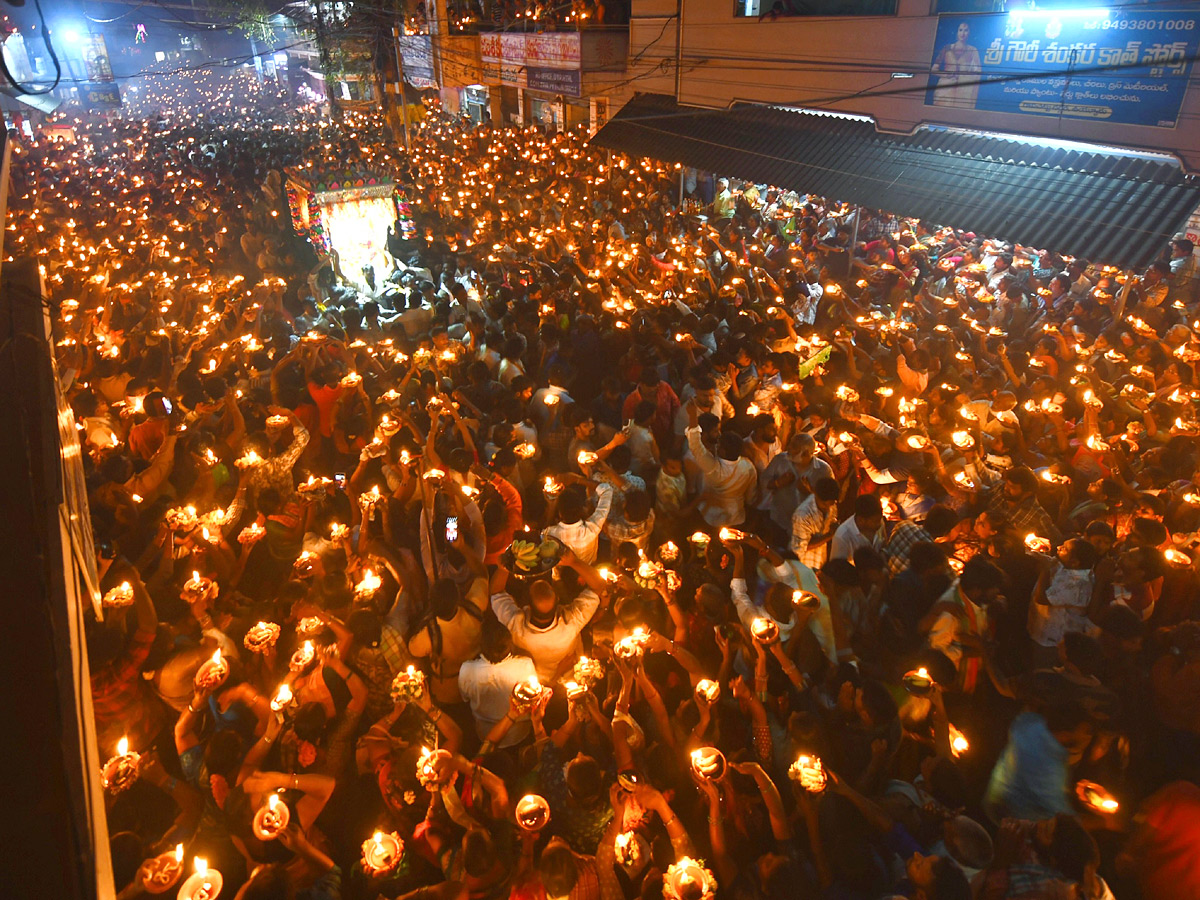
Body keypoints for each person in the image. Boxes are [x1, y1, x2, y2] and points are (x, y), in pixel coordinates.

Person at [930, 21, 982, 109]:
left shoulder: (973, 50)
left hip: (963, 92)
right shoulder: (947, 48)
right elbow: (934, 69)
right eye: (960, 30)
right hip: (945, 90)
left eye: (966, 30)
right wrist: (947, 75)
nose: (963, 33)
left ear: (969, 33)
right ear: (957, 32)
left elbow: (978, 73)